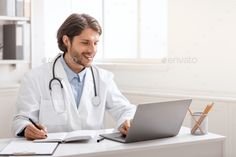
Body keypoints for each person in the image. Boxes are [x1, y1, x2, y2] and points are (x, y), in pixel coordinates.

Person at [12, 13, 136, 140]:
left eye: (95, 43)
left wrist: (127, 121)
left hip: (93, 151)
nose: (92, 50)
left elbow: (125, 110)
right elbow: (21, 119)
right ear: (66, 41)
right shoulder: (35, 77)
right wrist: (26, 127)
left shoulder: (103, 78)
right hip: (53, 151)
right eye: (85, 42)